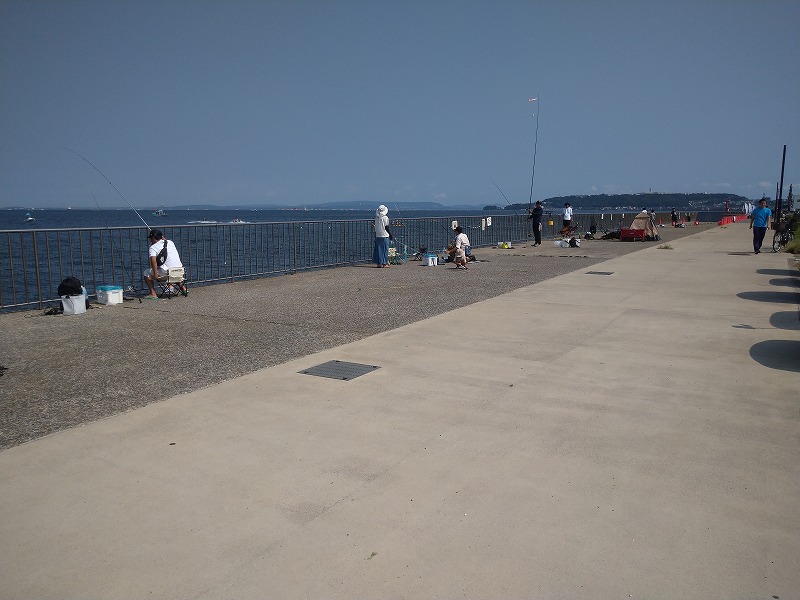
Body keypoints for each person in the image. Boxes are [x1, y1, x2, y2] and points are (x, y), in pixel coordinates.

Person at [144, 229, 186, 298]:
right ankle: (183, 288)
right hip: (180, 272)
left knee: (146, 272)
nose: (150, 240)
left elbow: (153, 261)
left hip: (168, 274)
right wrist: (162, 238)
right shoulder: (170, 242)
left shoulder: (153, 248)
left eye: (151, 238)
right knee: (172, 271)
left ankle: (153, 294)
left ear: (154, 238)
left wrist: (155, 275)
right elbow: (165, 242)